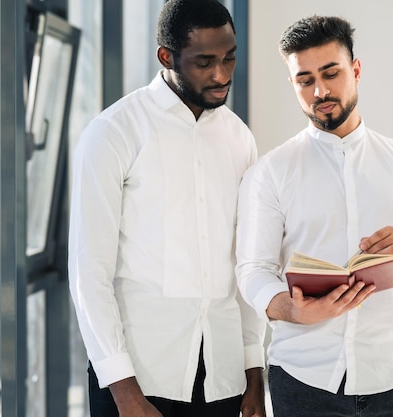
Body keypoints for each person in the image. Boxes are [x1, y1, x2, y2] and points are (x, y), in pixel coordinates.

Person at [235, 15, 393, 417]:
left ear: (355, 71)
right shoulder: (269, 173)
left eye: (331, 72)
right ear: (293, 85)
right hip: (302, 379)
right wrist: (290, 309)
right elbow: (252, 271)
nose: (320, 90)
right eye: (305, 80)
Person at [68, 1, 266, 416]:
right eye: (204, 62)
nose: (222, 74)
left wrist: (254, 372)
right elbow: (90, 274)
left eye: (229, 57)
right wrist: (125, 393)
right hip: (139, 379)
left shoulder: (239, 139)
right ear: (166, 56)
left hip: (223, 377)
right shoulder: (113, 133)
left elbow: (247, 262)